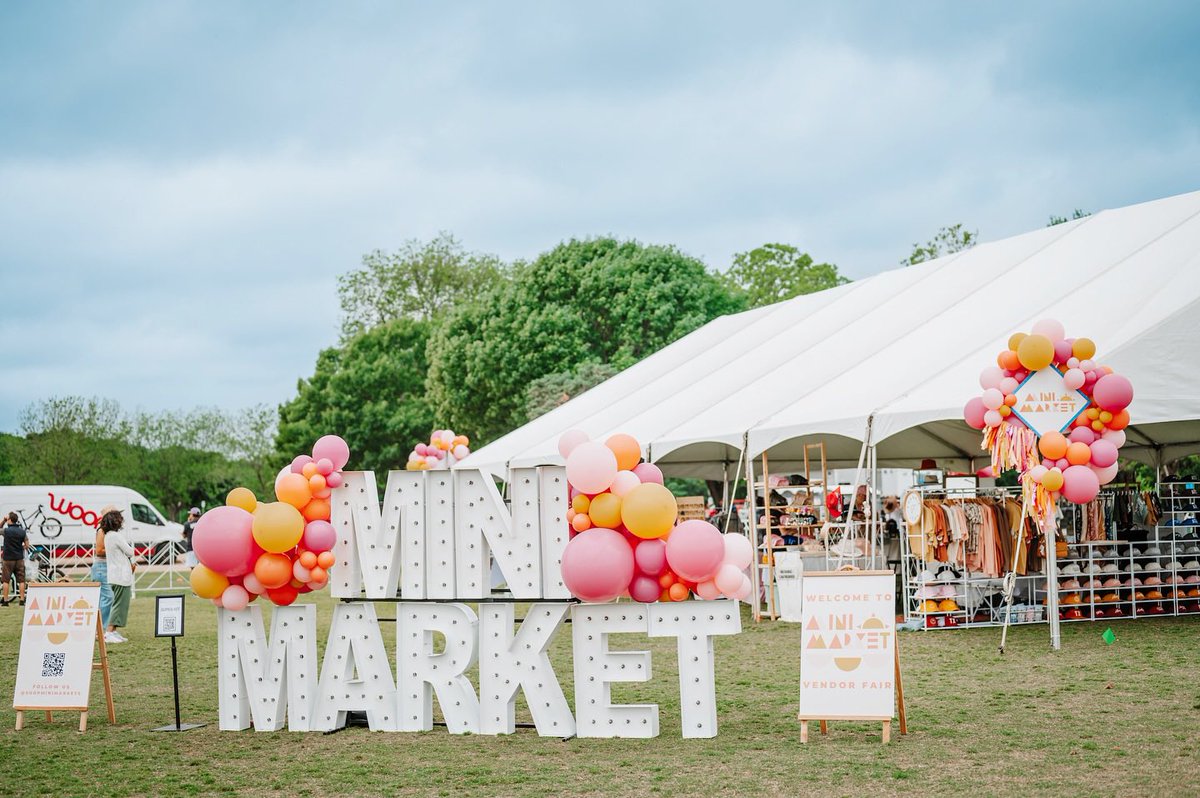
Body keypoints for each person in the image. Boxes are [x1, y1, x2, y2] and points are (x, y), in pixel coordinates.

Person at [101, 509, 135, 644]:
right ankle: (109, 632)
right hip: (121, 576)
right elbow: (130, 551)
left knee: (119, 604)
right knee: (119, 605)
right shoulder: (115, 536)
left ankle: (113, 631)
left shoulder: (108, 535)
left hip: (114, 575)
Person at [93, 504, 116, 630]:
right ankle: (102, 630)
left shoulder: (107, 531)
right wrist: (115, 550)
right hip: (102, 567)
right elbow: (99, 551)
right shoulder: (101, 530)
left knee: (105, 599)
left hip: (105, 567)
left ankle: (101, 629)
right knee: (108, 598)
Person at [2, 512, 31, 606]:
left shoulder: (5, 531)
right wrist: (21, 547)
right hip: (19, 559)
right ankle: (22, 600)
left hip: (8, 559)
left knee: (6, 581)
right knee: (21, 580)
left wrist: (3, 520)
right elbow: (27, 546)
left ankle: (6, 601)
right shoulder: (22, 531)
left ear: (10, 520)